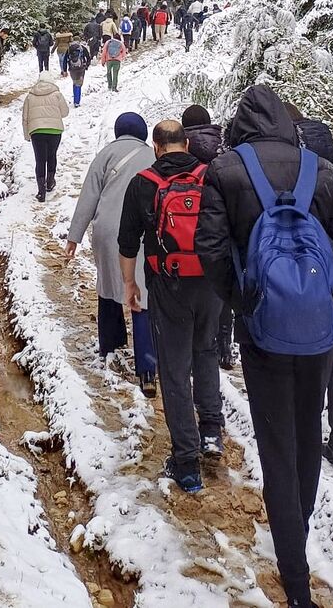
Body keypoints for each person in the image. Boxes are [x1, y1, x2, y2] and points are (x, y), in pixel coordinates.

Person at [195, 85, 333, 608]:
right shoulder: (322, 169)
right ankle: (301, 523)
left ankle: (294, 577)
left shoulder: (225, 172)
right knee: (306, 429)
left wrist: (242, 302)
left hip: (262, 329)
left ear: (241, 127)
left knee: (275, 442)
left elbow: (209, 249)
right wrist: (332, 305)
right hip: (317, 330)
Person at [118, 120, 224, 493]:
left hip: (168, 284)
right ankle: (212, 432)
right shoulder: (210, 176)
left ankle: (187, 463)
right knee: (207, 351)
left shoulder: (144, 182)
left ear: (156, 146)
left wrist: (130, 285)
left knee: (175, 370)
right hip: (211, 283)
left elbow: (127, 242)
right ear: (188, 143)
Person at [285, 102, 333, 477]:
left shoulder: (292, 158)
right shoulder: (332, 153)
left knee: (306, 347)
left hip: (307, 266)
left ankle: (303, 431)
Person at [67, 113, 158, 396]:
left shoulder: (105, 155)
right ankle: (147, 369)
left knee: (108, 287)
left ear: (118, 131)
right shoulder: (152, 157)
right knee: (140, 293)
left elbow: (88, 197)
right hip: (142, 232)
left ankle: (110, 345)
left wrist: (74, 236)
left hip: (107, 231)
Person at [181, 104, 232, 369]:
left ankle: (193, 349)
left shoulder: (183, 145)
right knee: (222, 288)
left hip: (191, 223)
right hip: (222, 223)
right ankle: (225, 347)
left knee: (194, 290)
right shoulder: (224, 144)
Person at [22, 71, 68, 202]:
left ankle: (41, 192)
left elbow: (25, 117)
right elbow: (65, 112)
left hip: (37, 131)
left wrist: (27, 134)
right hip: (55, 130)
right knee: (52, 155)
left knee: (40, 160)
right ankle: (50, 182)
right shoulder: (57, 94)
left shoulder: (30, 96)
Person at [67, 36, 91, 108]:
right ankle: (77, 101)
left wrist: (65, 69)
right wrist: (87, 65)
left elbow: (66, 59)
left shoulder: (69, 48)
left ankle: (75, 99)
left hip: (72, 69)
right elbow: (88, 57)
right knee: (79, 84)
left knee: (75, 82)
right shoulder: (82, 48)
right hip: (81, 68)